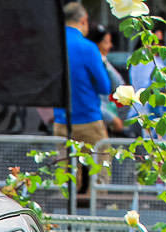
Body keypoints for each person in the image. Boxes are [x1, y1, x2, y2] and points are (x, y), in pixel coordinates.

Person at [54, 2, 113, 165]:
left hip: (61, 120)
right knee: (100, 171)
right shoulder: (89, 48)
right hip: (89, 119)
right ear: (84, 20)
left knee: (66, 174)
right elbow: (104, 87)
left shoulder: (54, 45)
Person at [87, 24, 126, 134]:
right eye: (106, 42)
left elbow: (119, 85)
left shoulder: (103, 62)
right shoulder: (96, 63)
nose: (110, 46)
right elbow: (117, 85)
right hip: (96, 117)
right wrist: (111, 118)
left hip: (103, 116)